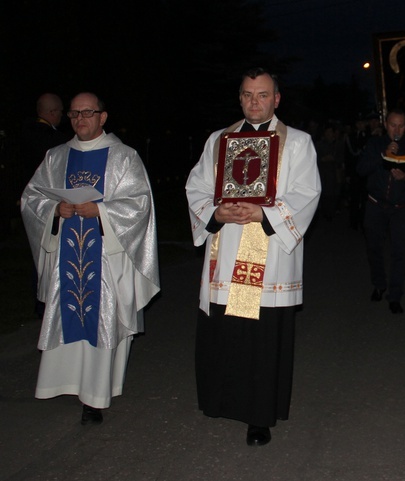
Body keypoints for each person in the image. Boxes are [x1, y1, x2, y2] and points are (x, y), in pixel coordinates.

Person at [185, 68, 320, 447]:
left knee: (260, 336)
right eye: (247, 95)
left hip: (269, 253)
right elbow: (194, 186)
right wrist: (215, 212)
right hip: (226, 251)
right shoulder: (219, 140)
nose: (254, 102)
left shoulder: (297, 143)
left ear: (277, 99)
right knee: (228, 331)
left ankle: (259, 416)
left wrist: (265, 214)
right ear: (239, 98)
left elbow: (307, 192)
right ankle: (222, 400)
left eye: (262, 95)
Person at [21, 92, 160, 425]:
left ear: (103, 117)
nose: (80, 119)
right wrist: (55, 210)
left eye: (88, 112)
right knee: (67, 312)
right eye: (74, 113)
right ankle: (62, 382)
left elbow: (139, 205)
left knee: (101, 318)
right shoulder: (56, 157)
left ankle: (94, 398)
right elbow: (30, 198)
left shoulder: (124, 157)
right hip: (66, 260)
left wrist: (101, 210)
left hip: (106, 259)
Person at [357, 108, 405, 314]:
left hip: (401, 209)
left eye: (400, 125)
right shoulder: (374, 144)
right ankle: (379, 285)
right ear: (385, 124)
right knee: (374, 249)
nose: (396, 129)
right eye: (392, 125)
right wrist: (382, 156)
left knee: (399, 253)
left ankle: (395, 295)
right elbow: (360, 170)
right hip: (375, 205)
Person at [19, 93, 70, 317]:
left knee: (38, 252)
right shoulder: (52, 140)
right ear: (52, 113)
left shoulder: (22, 133)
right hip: (46, 204)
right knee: (46, 253)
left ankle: (42, 302)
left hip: (31, 204)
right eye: (60, 112)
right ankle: (45, 304)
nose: (61, 116)